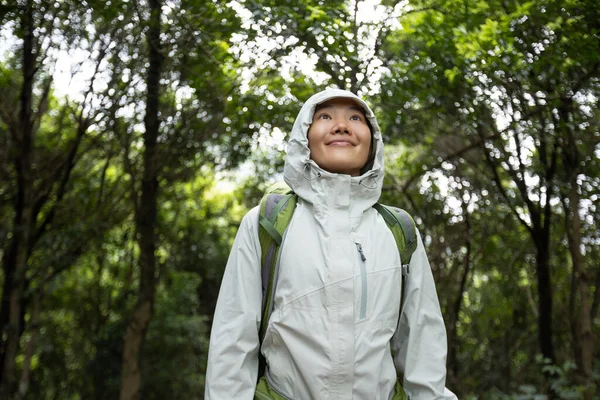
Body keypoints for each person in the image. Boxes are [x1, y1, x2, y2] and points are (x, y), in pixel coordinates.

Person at [205, 88, 458, 399]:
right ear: (304, 138)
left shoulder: (398, 231)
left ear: (372, 141)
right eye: (325, 116)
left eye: (355, 117)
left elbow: (423, 341)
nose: (341, 125)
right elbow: (233, 339)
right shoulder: (266, 222)